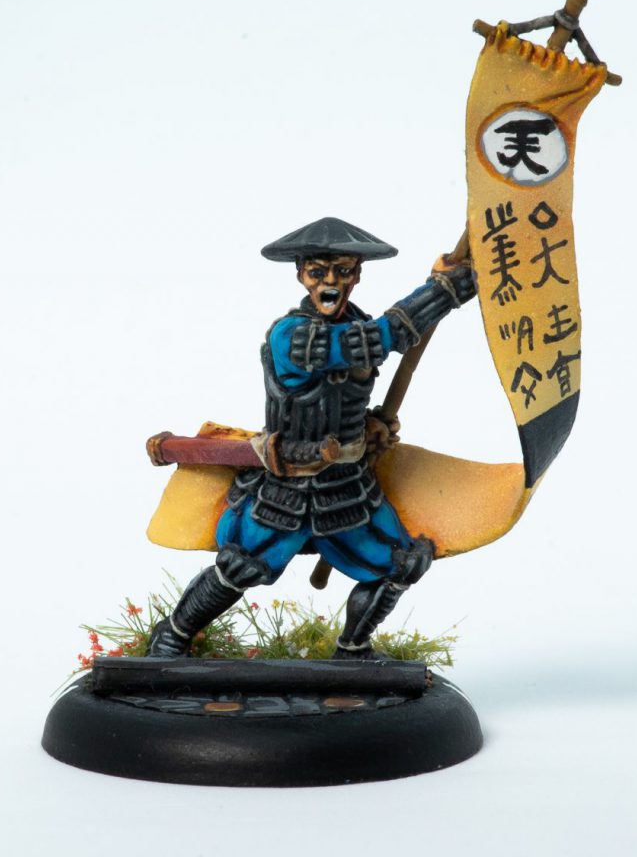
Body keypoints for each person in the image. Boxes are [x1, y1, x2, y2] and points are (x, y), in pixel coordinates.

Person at [147, 217, 477, 659]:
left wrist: (366, 427)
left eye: (342, 271)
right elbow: (379, 339)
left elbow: (348, 382)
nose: (330, 282)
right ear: (301, 275)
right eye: (318, 271)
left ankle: (353, 649)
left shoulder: (356, 322)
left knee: (401, 565)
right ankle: (172, 636)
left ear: (356, 276)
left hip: (348, 487)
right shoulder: (292, 336)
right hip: (288, 488)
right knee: (241, 566)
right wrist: (442, 292)